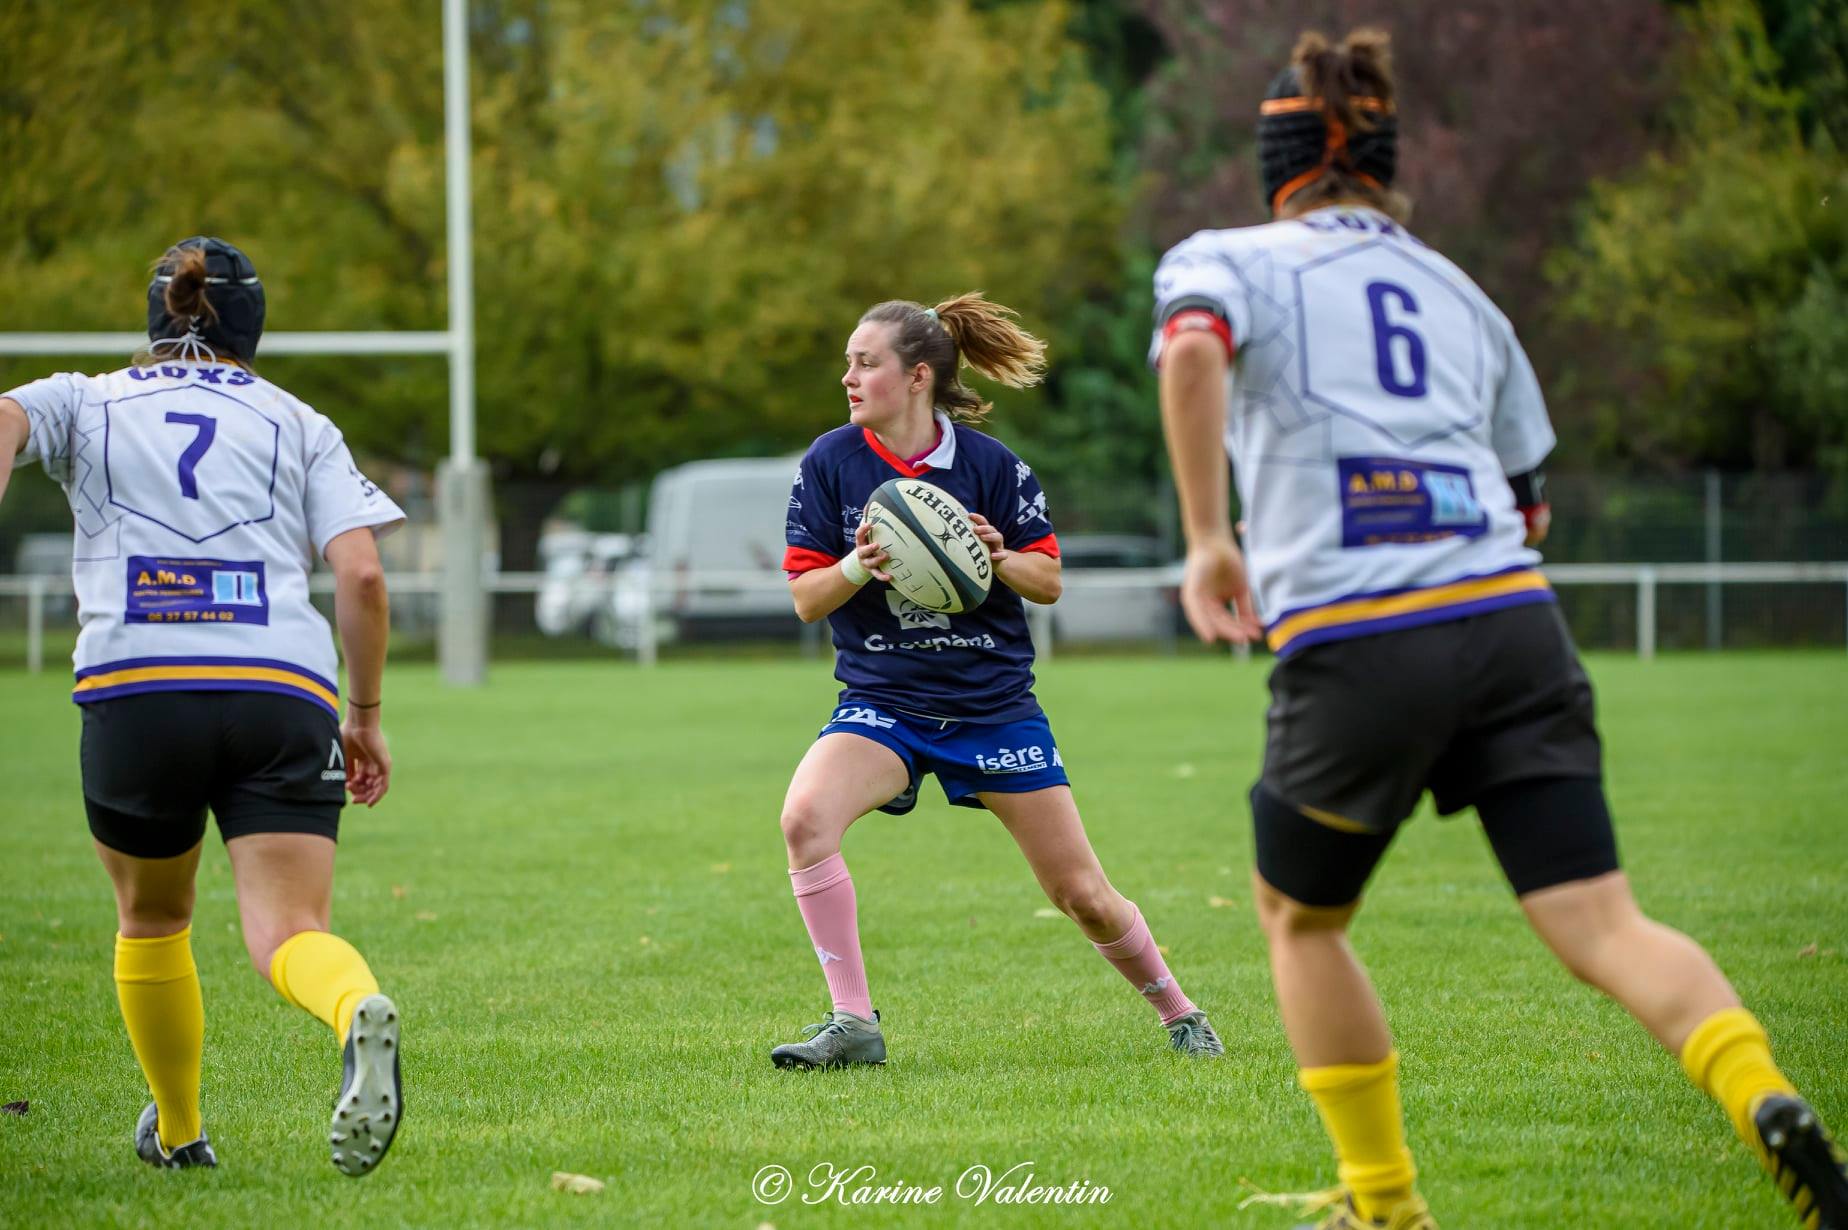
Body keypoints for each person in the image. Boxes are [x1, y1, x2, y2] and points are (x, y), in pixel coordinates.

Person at [1151, 29, 1848, 1230]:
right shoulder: (1463, 293)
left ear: (1281, 164)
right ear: (1386, 161)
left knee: (1300, 919)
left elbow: (1196, 347)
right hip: (1517, 622)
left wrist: (1212, 537)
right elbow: (1527, 495)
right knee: (1602, 921)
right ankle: (1763, 1096)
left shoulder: (1227, 256)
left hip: (1363, 641)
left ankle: (1387, 1203)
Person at [0, 237, 409, 1176]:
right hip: (280, 690)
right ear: (254, 330)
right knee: (290, 929)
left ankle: (181, 1135)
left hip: (137, 685)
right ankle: (354, 1011)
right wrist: (366, 714)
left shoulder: (86, 397)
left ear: (155, 319)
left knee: (152, 920)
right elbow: (361, 574)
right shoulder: (300, 420)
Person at [770, 292, 1222, 1069]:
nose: (847, 377)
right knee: (805, 818)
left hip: (992, 709)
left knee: (1081, 892)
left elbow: (1048, 580)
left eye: (864, 362)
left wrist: (991, 555)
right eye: (848, 361)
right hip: (884, 703)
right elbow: (808, 597)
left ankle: (1180, 1014)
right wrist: (859, 563)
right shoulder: (830, 462)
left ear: (916, 377)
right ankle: (854, 1024)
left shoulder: (990, 466)